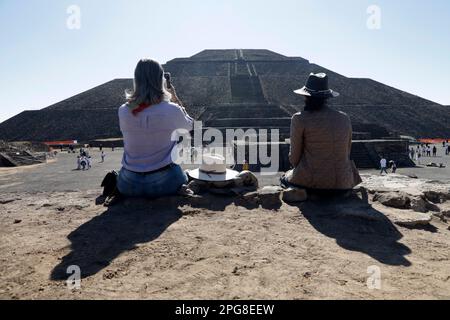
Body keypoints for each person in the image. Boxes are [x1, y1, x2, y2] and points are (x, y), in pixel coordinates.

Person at [116, 58, 193, 200]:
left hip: (128, 183)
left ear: (136, 79)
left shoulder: (123, 110)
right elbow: (191, 126)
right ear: (160, 79)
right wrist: (175, 99)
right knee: (188, 172)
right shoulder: (172, 110)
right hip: (166, 183)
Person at [281, 73, 362, 193]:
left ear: (306, 97)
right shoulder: (344, 118)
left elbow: (294, 158)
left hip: (313, 182)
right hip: (344, 182)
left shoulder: (299, 118)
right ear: (326, 97)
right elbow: (346, 151)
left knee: (284, 178)